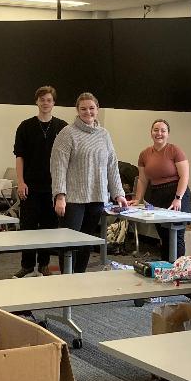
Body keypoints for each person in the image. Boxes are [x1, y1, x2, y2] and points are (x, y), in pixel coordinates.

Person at [50, 92, 129, 273]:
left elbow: (112, 165)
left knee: (87, 242)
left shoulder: (104, 134)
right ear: (77, 110)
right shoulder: (67, 133)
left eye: (91, 108)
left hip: (97, 197)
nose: (88, 112)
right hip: (73, 200)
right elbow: (58, 167)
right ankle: (67, 280)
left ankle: (80, 278)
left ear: (97, 110)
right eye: (83, 109)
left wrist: (119, 194)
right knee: (69, 243)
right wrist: (59, 196)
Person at [11, 85, 68, 277]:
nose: (45, 103)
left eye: (49, 100)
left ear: (54, 103)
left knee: (48, 227)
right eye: (42, 99)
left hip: (53, 187)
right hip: (30, 185)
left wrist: (62, 190)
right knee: (27, 227)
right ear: (37, 102)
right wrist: (20, 182)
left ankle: (44, 265)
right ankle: (27, 265)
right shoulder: (25, 126)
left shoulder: (62, 127)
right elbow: (20, 157)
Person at [132, 118, 191, 260]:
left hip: (176, 194)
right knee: (164, 236)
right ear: (151, 133)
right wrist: (137, 199)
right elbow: (142, 179)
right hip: (156, 195)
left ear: (168, 134)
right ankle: (166, 267)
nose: (159, 133)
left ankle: (177, 268)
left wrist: (178, 198)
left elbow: (184, 176)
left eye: (163, 130)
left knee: (176, 235)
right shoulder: (144, 154)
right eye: (156, 130)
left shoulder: (174, 150)